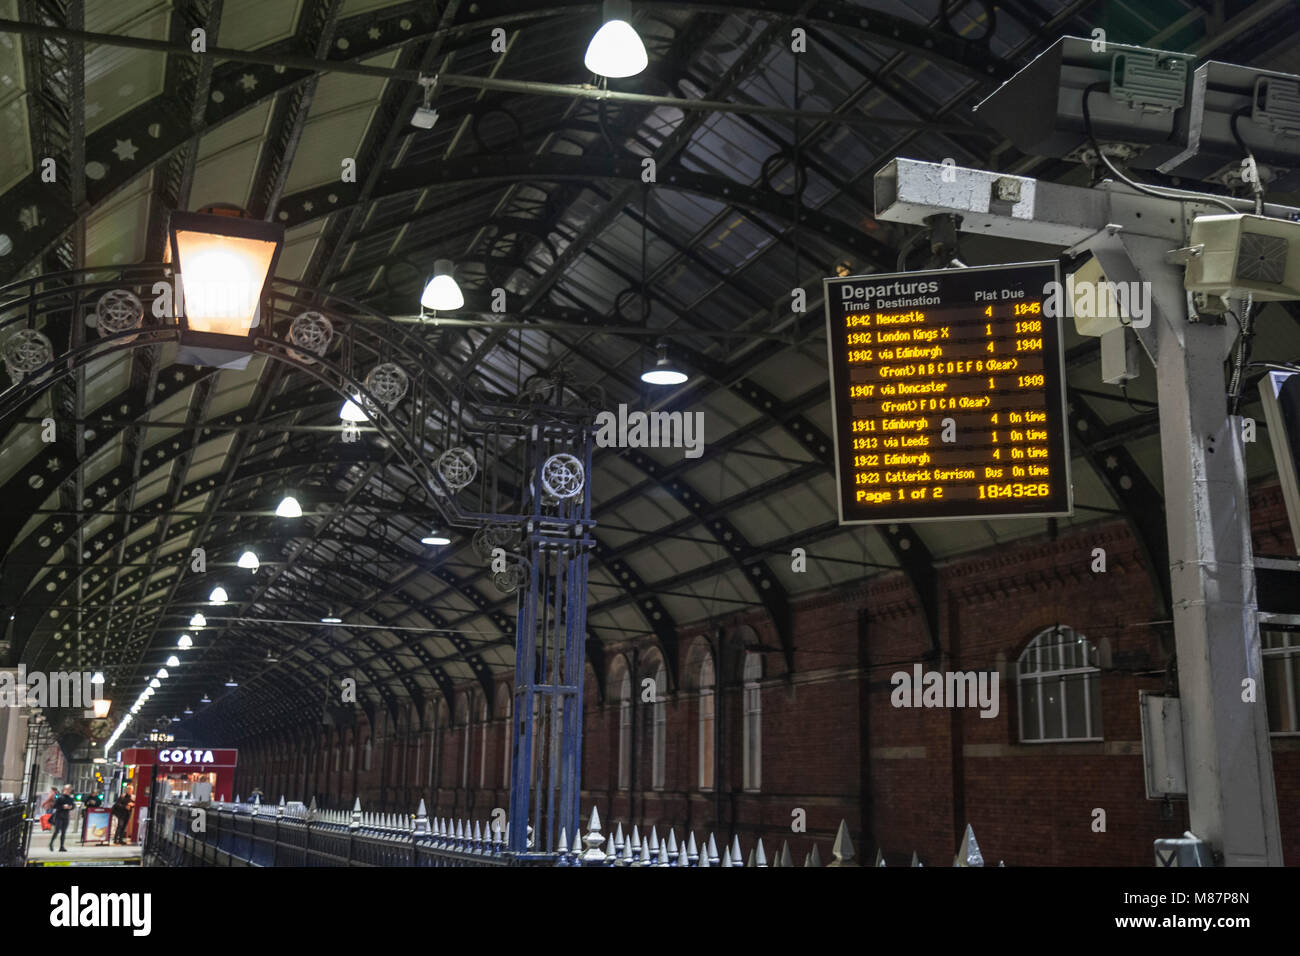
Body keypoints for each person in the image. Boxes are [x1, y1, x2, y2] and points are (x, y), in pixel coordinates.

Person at [49, 784, 76, 852]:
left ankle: (61, 846)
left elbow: (73, 805)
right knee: (57, 831)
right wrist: (63, 807)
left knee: (64, 832)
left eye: (69, 790)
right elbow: (54, 806)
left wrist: (71, 807)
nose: (68, 791)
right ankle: (51, 843)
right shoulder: (60, 797)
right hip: (59, 816)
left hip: (66, 816)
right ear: (64, 789)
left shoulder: (70, 798)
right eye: (67, 789)